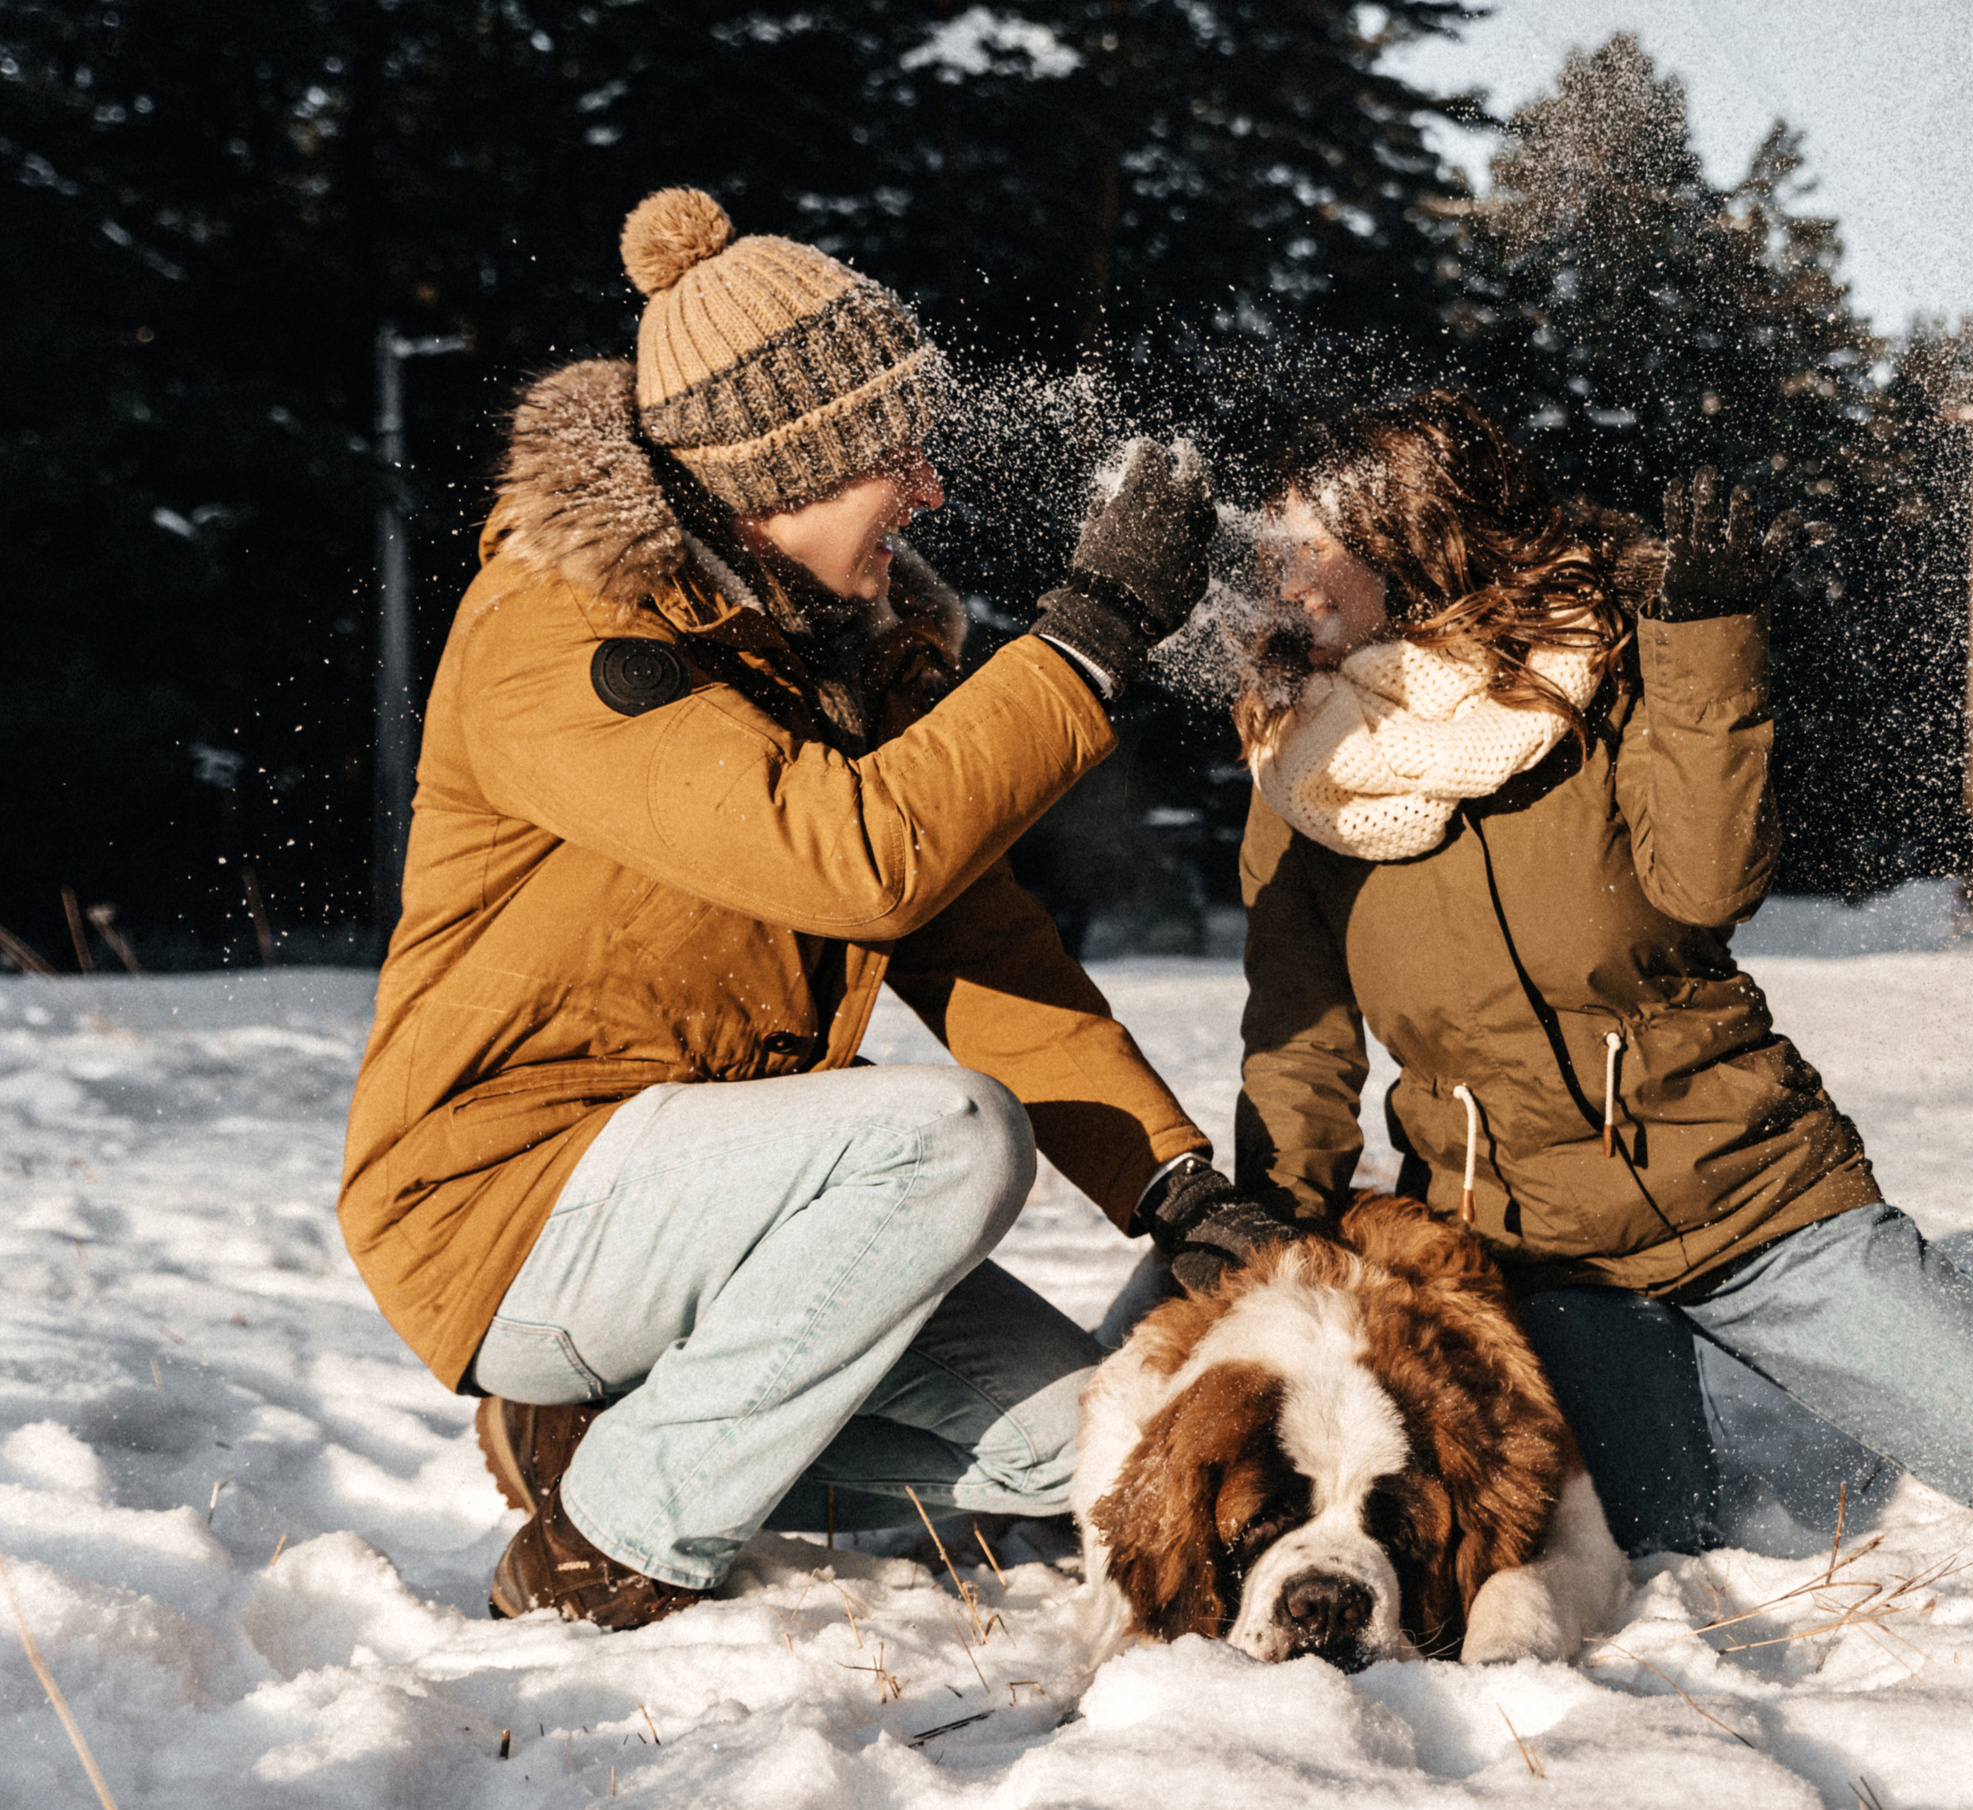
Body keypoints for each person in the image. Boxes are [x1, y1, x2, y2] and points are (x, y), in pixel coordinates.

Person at [339, 187, 1287, 1629]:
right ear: (781, 472)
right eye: (892, 457)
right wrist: (1082, 646)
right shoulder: (560, 630)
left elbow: (965, 927)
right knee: (948, 1137)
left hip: (728, 1212)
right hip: (513, 1198)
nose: (928, 492)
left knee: (1084, 1443)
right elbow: (855, 856)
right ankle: (601, 1542)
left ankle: (601, 1430)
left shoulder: (841, 647)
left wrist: (1169, 1180)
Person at [1221, 390, 1973, 1558]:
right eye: (1272, 550)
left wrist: (1705, 648)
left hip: (1756, 1199)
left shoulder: (1600, 673)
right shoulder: (1303, 767)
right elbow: (1300, 1036)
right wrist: (1273, 1229)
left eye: (1308, 548)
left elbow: (1705, 887)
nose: (1282, 583)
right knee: (1655, 1542)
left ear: (1411, 536)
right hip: (1538, 1252)